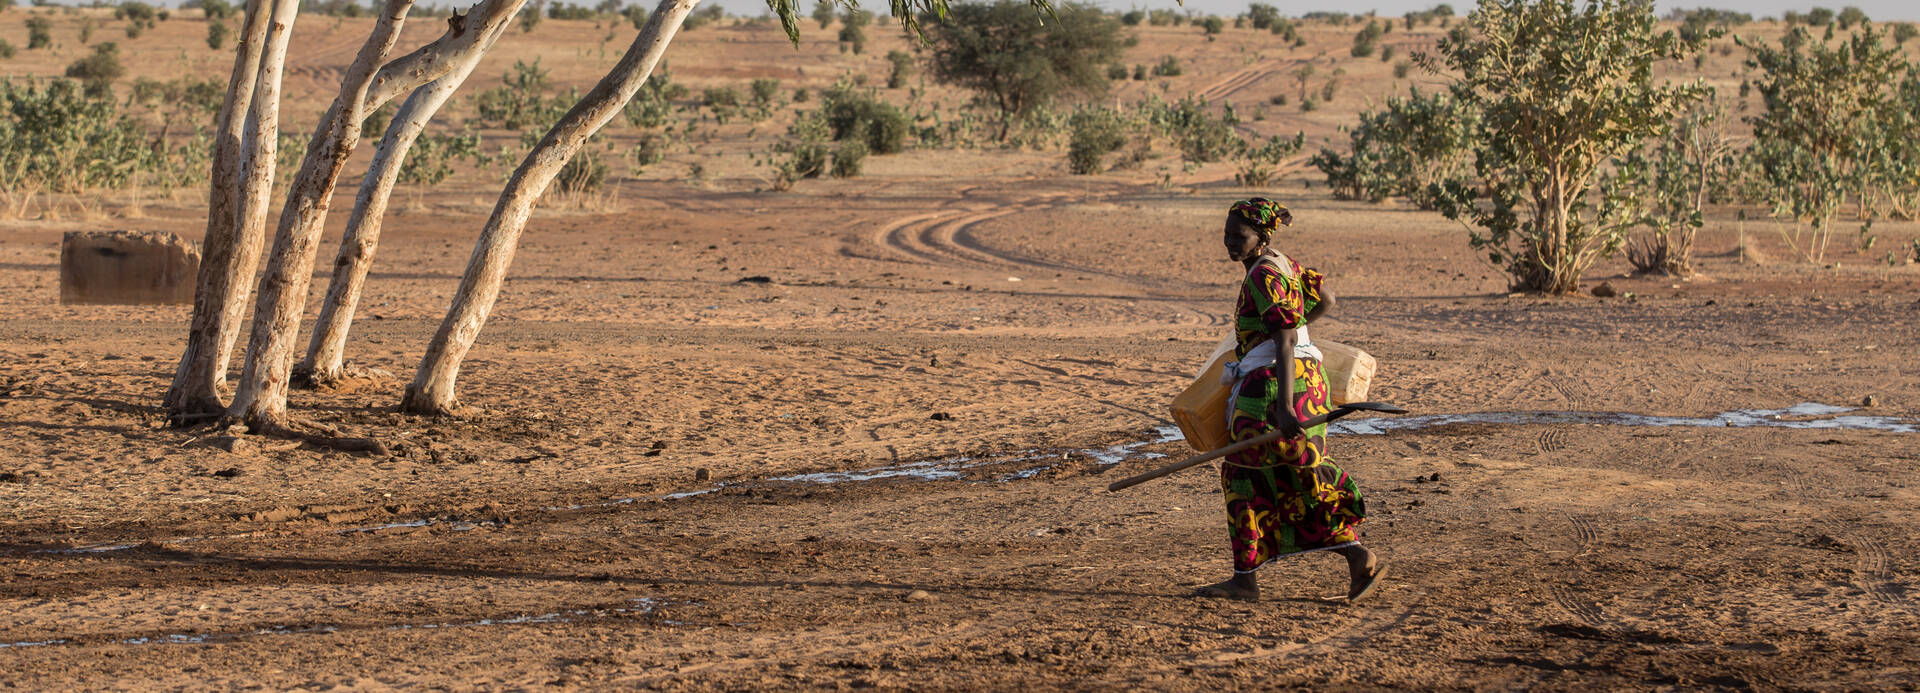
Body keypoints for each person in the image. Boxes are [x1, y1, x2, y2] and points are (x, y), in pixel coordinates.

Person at [1192, 197, 1386, 604]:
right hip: (1308, 382)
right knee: (1296, 471)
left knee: (1243, 476)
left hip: (1270, 388)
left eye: (1238, 236)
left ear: (1260, 238)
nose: (1230, 242)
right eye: (1227, 234)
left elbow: (1282, 338)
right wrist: (1296, 329)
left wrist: (1282, 406)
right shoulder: (1284, 263)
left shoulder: (1262, 276)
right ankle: (1356, 557)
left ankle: (1245, 579)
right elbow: (1327, 299)